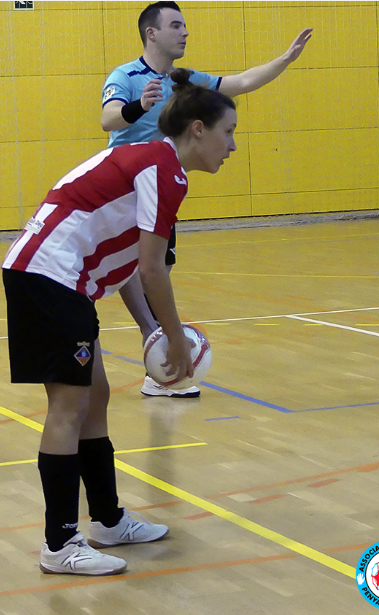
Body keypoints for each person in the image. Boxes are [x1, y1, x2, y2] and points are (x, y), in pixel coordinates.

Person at [2, 69, 237, 576]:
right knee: (69, 405)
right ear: (198, 129)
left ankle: (106, 520)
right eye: (228, 132)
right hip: (48, 275)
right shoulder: (163, 167)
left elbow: (133, 264)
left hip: (60, 278)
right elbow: (153, 268)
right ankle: (60, 544)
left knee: (97, 394)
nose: (232, 146)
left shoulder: (154, 164)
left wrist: (151, 330)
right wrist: (173, 337)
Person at [101, 1, 312, 398]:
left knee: (155, 268)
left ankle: (158, 358)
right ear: (152, 33)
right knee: (137, 268)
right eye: (176, 25)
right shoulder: (126, 76)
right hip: (124, 192)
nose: (184, 32)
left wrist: (284, 60)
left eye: (185, 25)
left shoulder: (185, 80)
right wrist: (138, 106)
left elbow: (241, 82)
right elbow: (108, 119)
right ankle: (158, 346)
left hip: (159, 190)